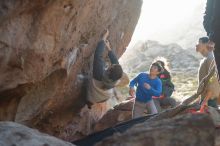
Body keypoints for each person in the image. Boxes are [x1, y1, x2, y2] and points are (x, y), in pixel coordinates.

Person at [87, 29, 129, 104]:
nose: (111, 64)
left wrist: (103, 38)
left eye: (111, 66)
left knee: (101, 64)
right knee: (104, 64)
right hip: (97, 99)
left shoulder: (100, 74)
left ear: (109, 71)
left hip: (90, 94)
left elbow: (98, 55)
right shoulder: (115, 80)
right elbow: (116, 63)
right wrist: (109, 48)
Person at [196, 36, 220, 110]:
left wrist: (206, 99)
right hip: (206, 99)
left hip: (210, 100)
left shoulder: (211, 58)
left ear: (206, 44)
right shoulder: (205, 59)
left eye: (198, 42)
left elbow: (213, 81)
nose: (196, 45)